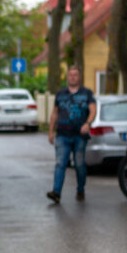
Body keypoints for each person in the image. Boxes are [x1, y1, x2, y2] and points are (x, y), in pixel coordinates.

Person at [46, 66, 96, 203]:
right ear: (67, 77)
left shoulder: (87, 93)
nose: (73, 77)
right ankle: (56, 192)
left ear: (79, 77)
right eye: (70, 75)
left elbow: (93, 110)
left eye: (75, 75)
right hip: (62, 134)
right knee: (60, 163)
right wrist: (51, 131)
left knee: (79, 164)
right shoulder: (60, 94)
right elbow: (55, 113)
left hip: (79, 135)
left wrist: (88, 123)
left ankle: (80, 189)